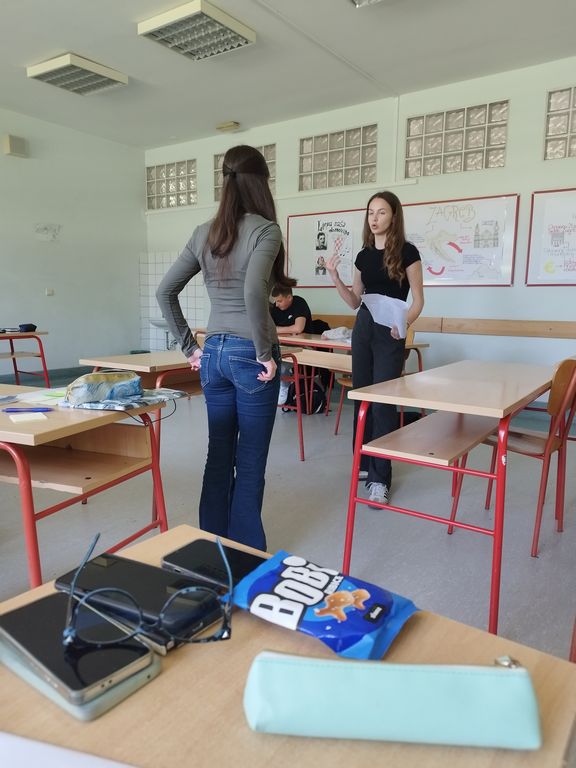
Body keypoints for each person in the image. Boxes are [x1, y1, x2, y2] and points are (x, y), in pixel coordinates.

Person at [156, 145, 295, 551]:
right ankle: (245, 552)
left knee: (218, 453)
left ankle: (211, 546)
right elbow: (253, 291)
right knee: (249, 460)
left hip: (213, 354)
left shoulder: (204, 232)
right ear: (261, 183)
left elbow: (165, 292)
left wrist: (189, 348)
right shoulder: (266, 230)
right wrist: (265, 353)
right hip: (250, 355)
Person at [326, 191, 424, 507]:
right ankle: (365, 462)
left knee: (383, 403)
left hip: (391, 330)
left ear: (394, 216)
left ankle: (380, 479)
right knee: (362, 398)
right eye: (371, 212)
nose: (375, 218)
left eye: (381, 212)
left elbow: (418, 300)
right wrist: (335, 277)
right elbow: (355, 300)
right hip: (364, 327)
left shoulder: (408, 252)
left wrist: (404, 323)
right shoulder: (363, 256)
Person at [270, 286, 313, 404]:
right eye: (275, 301)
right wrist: (289, 329)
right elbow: (269, 328)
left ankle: (284, 387)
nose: (276, 304)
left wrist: (277, 329)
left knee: (282, 364)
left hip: (302, 347)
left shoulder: (299, 303)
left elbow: (298, 328)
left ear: (289, 297)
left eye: (279, 301)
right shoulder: (275, 307)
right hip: (282, 345)